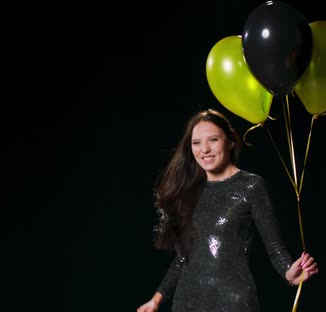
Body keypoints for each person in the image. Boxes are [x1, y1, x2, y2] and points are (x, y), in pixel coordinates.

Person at [136, 109, 319, 312]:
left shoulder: (251, 186)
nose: (204, 149)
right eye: (196, 143)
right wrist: (156, 300)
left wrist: (288, 272)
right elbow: (184, 256)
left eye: (213, 139)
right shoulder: (191, 191)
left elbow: (275, 247)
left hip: (234, 301)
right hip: (187, 302)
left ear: (231, 141)